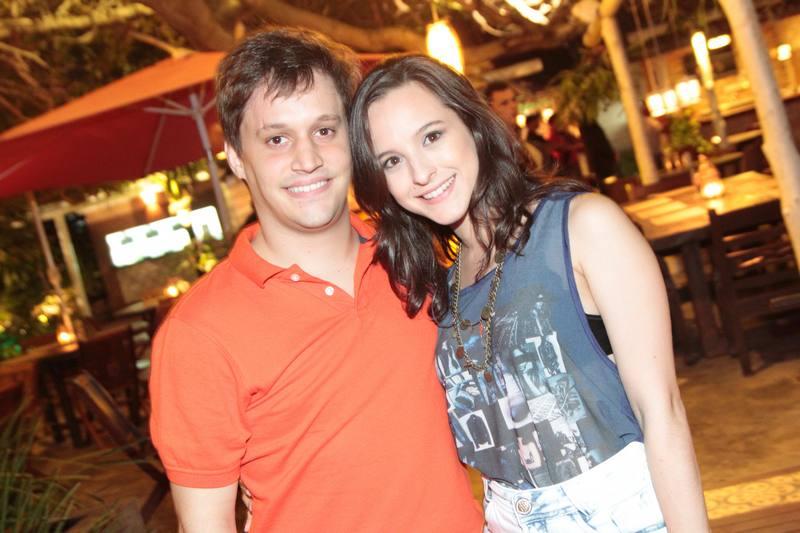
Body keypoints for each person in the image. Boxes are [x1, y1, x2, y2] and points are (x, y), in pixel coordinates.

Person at [350, 54, 708, 532]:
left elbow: (662, 412)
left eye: (431, 137)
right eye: (392, 161)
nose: (421, 172)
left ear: (473, 124)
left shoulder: (582, 225)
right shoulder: (443, 282)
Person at [148, 30, 482, 532]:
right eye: (276, 139)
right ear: (236, 157)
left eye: (325, 130)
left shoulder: (415, 254)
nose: (307, 159)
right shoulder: (198, 334)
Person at [485, 81, 544, 169]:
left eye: (514, 100)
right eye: (504, 103)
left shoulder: (528, 148)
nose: (513, 106)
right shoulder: (492, 148)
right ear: (490, 110)